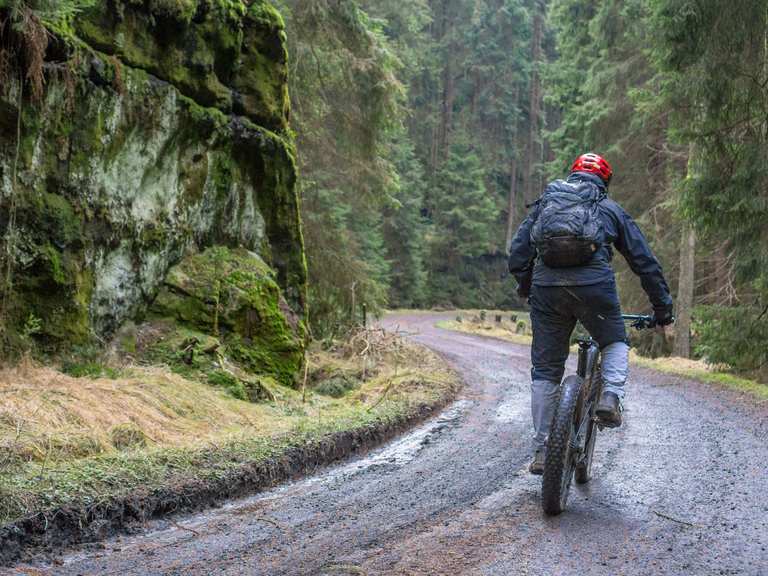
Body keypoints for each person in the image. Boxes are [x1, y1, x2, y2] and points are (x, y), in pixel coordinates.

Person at [508, 153, 674, 475]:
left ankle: (543, 449)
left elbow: (517, 257)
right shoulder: (609, 209)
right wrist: (662, 310)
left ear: (571, 176)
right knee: (614, 341)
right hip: (594, 288)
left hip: (547, 292)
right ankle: (610, 396)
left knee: (545, 370)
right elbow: (645, 262)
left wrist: (529, 287)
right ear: (605, 182)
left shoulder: (546, 206)